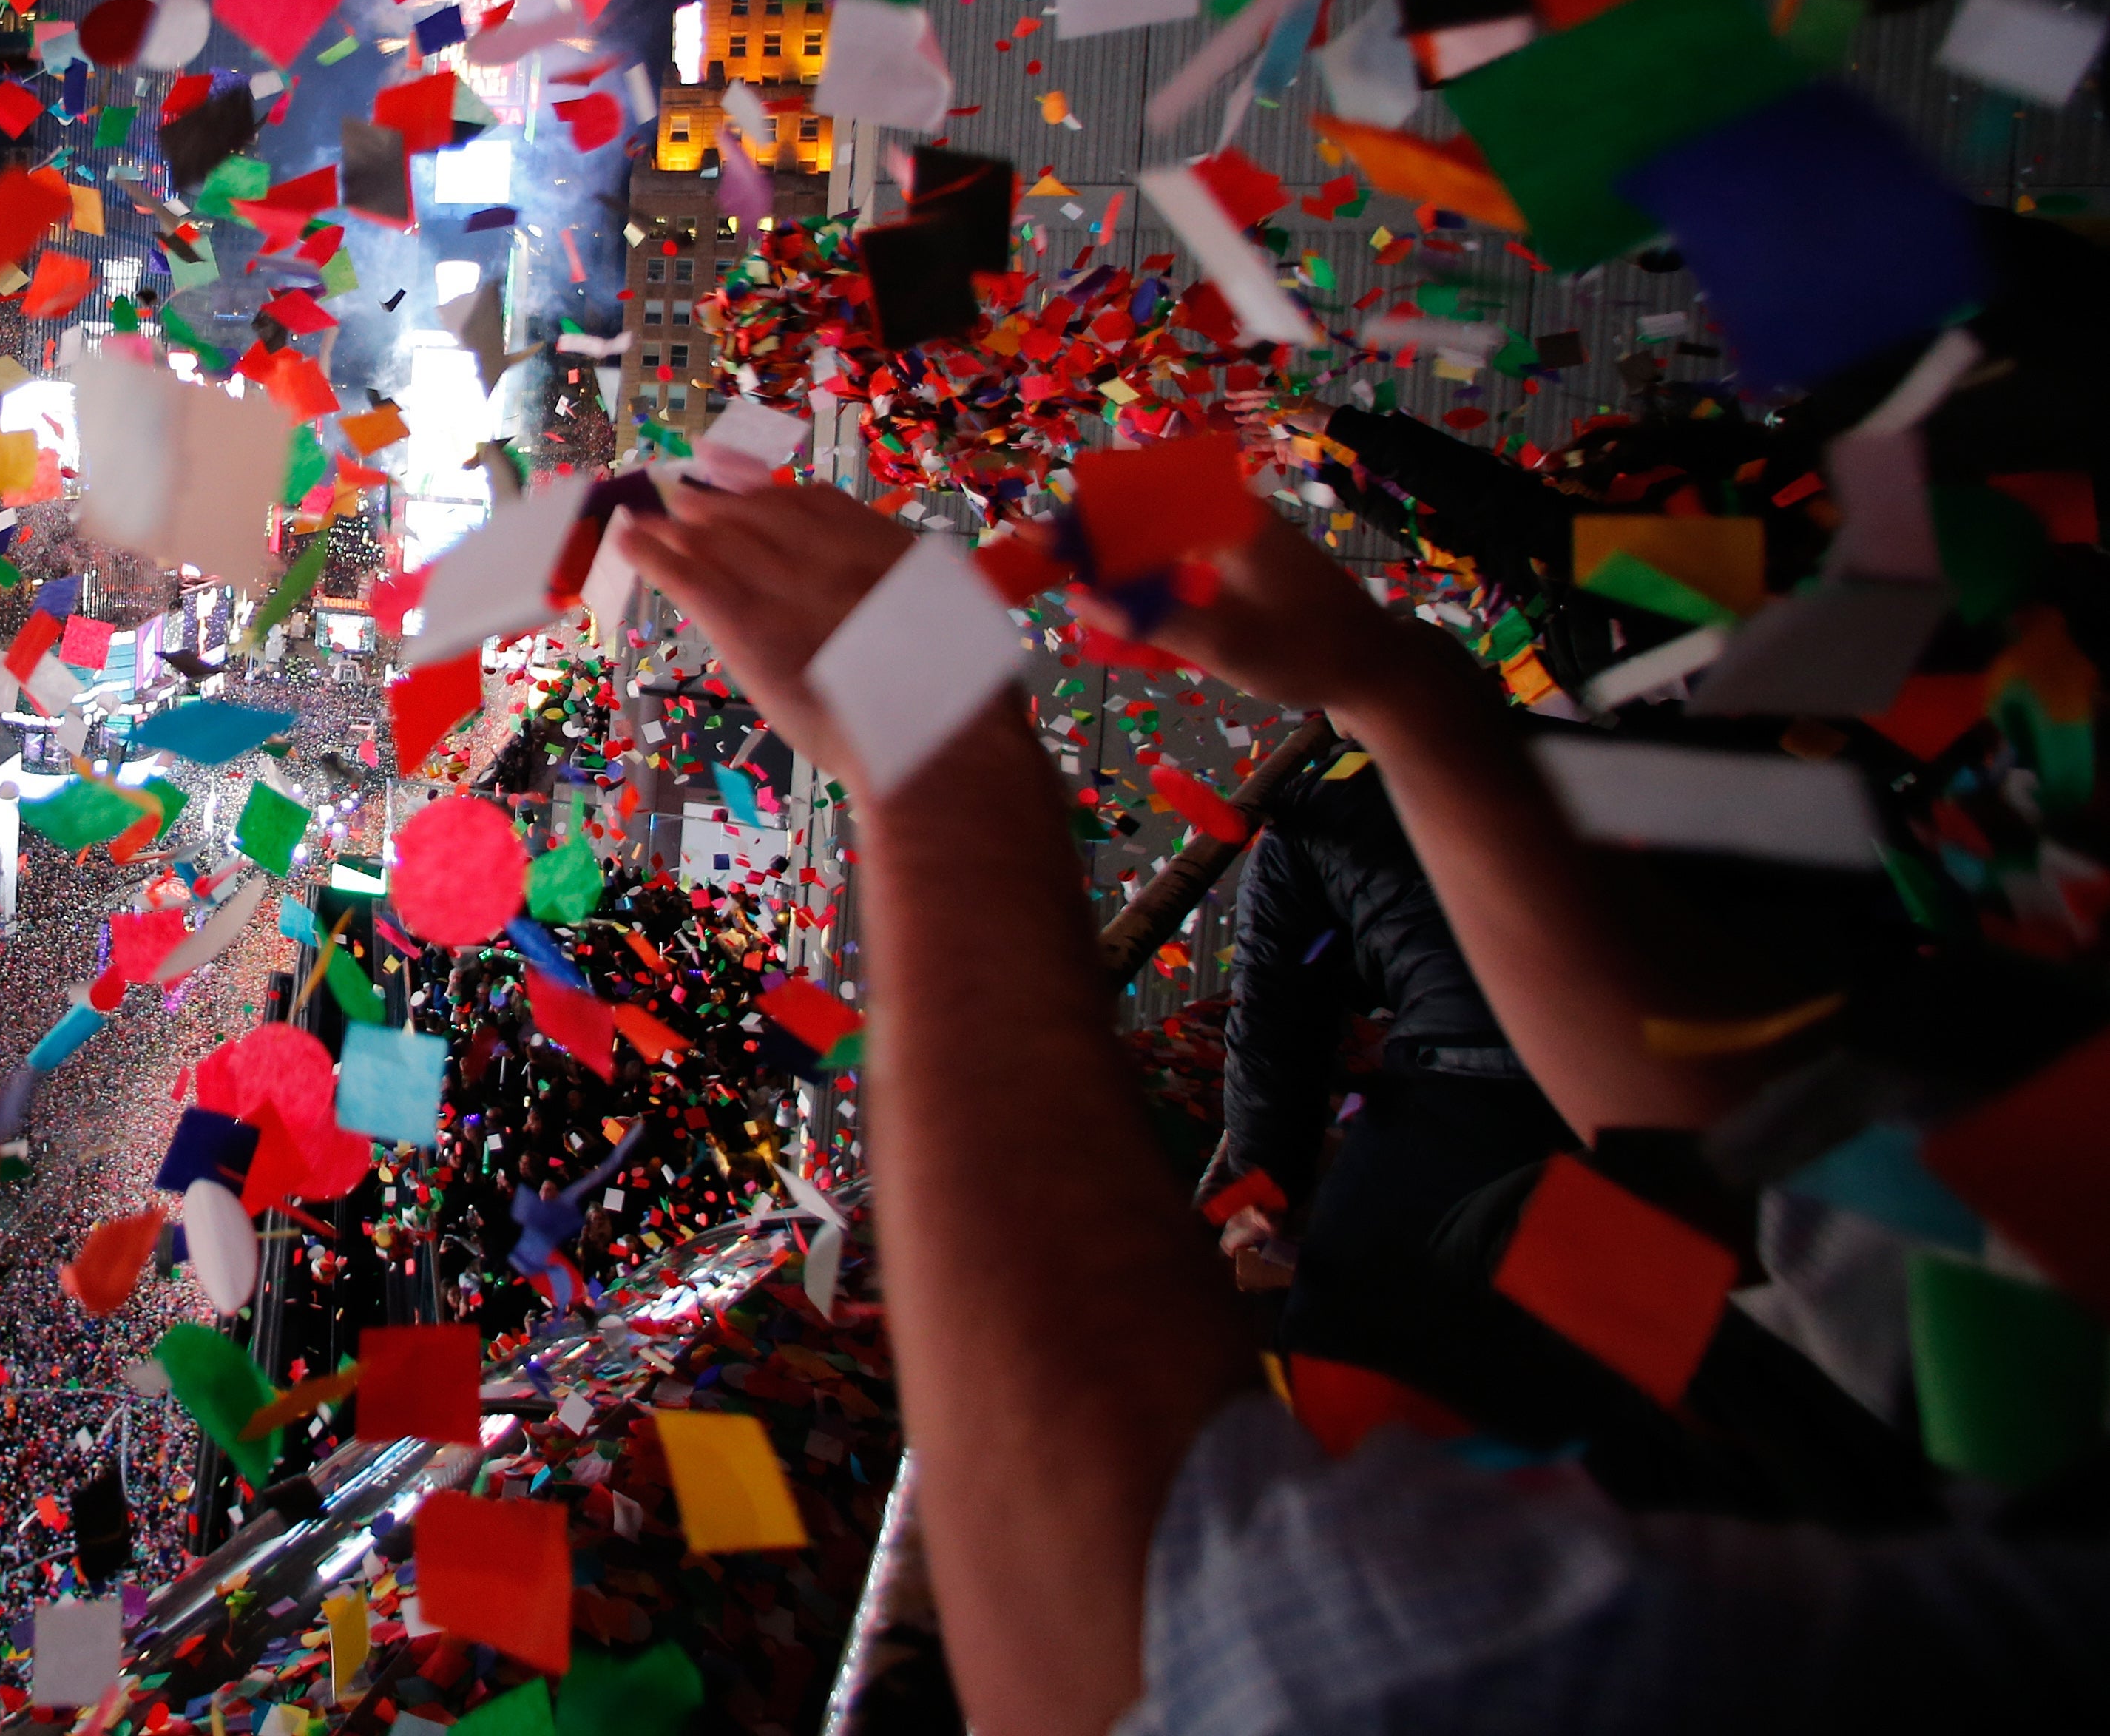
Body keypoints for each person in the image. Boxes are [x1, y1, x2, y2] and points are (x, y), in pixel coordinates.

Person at [621, 482, 2110, 1736]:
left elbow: (1169, 1636)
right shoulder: (2016, 1312)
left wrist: (939, 768)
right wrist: (1392, 685)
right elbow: (1795, 1175)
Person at [1197, 766, 1571, 1309]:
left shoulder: (1308, 813)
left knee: (1337, 1329)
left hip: (1485, 1068)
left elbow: (1274, 1028)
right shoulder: (1538, 737)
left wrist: (1263, 1185)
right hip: (1677, 1022)